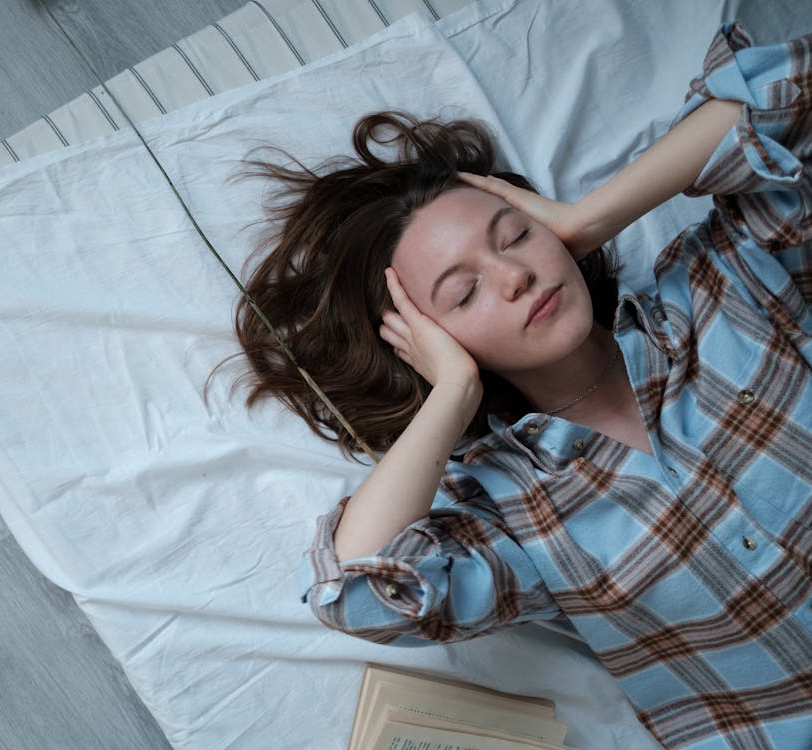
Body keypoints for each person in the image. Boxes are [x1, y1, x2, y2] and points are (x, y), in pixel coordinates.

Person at [235, 24, 811, 750]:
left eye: (514, 236)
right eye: (463, 291)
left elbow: (789, 88)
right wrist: (448, 395)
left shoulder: (721, 288)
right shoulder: (505, 513)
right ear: (429, 343)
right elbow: (356, 596)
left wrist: (588, 217)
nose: (514, 277)